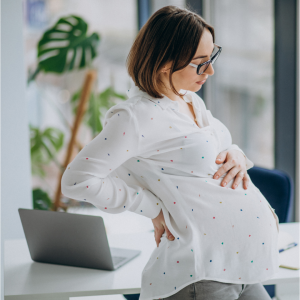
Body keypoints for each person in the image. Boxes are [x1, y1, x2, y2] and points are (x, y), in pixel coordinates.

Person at [61, 5, 280, 300]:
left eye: (212, 56)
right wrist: (151, 207)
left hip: (238, 266)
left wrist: (237, 153)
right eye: (200, 63)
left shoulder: (188, 99)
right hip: (203, 274)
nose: (211, 70)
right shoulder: (134, 117)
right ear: (164, 63)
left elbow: (216, 140)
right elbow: (78, 180)